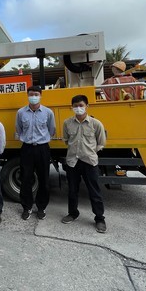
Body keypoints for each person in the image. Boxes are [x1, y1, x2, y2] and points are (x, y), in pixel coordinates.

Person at [62, 94, 107, 233]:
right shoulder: (67, 123)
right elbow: (66, 140)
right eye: (75, 106)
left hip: (89, 162)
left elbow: (101, 143)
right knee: (72, 190)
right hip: (73, 162)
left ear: (87, 106)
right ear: (72, 107)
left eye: (81, 105)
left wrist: (90, 152)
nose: (78, 108)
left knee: (94, 191)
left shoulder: (96, 123)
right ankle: (73, 213)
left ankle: (99, 218)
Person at [16, 85, 56, 220]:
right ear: (27, 96)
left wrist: (41, 140)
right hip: (27, 148)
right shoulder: (21, 112)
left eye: (36, 94)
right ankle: (26, 207)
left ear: (40, 95)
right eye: (31, 94)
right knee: (26, 178)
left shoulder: (48, 112)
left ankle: (41, 207)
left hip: (42, 148)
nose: (34, 97)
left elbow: (51, 130)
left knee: (44, 179)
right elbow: (19, 129)